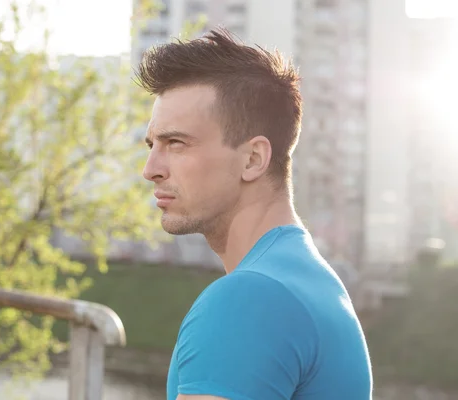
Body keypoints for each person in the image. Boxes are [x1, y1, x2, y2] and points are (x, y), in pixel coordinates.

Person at [136, 28, 372, 400]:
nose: (151, 169)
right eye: (152, 145)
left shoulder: (250, 300)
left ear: (253, 159)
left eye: (176, 143)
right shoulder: (305, 279)